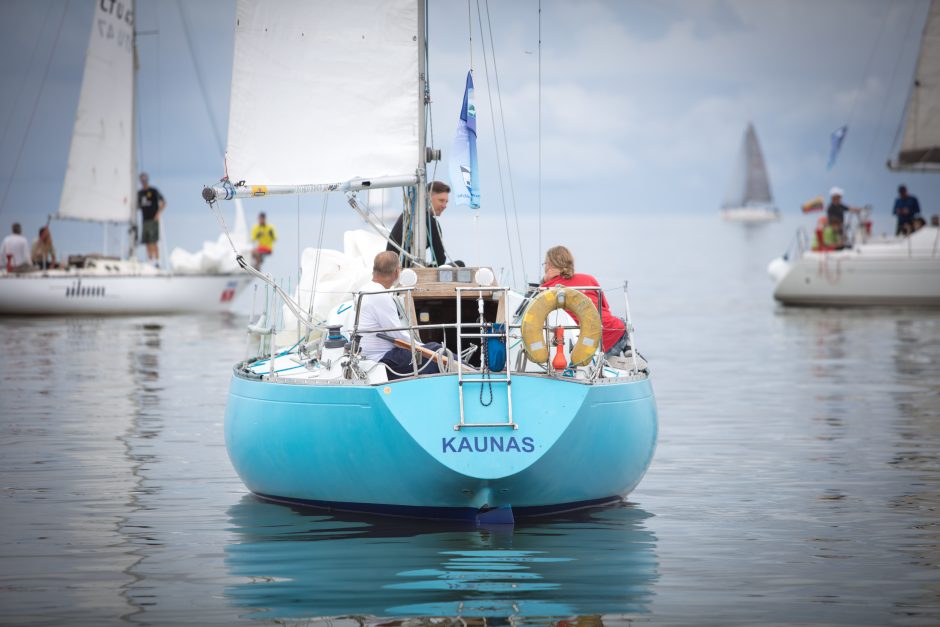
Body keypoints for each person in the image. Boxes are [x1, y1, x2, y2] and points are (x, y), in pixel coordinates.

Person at [358, 251, 443, 380]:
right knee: (436, 350)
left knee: (432, 349)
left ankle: (465, 366)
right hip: (384, 358)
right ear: (397, 272)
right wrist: (423, 347)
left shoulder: (365, 290)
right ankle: (467, 369)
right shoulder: (380, 296)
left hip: (371, 355)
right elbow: (398, 337)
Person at [540, 245, 629, 358]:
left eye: (545, 264)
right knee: (621, 322)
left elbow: (538, 310)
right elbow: (605, 309)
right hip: (611, 333)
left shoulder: (547, 289)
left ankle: (614, 356)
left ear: (550, 266)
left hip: (581, 347)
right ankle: (628, 350)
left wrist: (544, 280)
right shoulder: (589, 279)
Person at [387, 181, 453, 267]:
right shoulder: (430, 222)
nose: (444, 206)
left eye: (446, 202)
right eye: (441, 200)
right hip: (404, 271)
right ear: (427, 198)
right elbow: (439, 260)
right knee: (460, 264)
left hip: (394, 269)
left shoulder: (408, 214)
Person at [137, 172, 166, 264]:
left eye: (145, 179)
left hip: (153, 219)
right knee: (147, 241)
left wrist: (158, 214)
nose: (143, 181)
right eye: (142, 179)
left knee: (154, 240)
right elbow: (137, 205)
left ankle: (157, 261)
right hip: (145, 219)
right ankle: (150, 260)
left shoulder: (153, 191)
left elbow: (163, 202)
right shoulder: (140, 193)